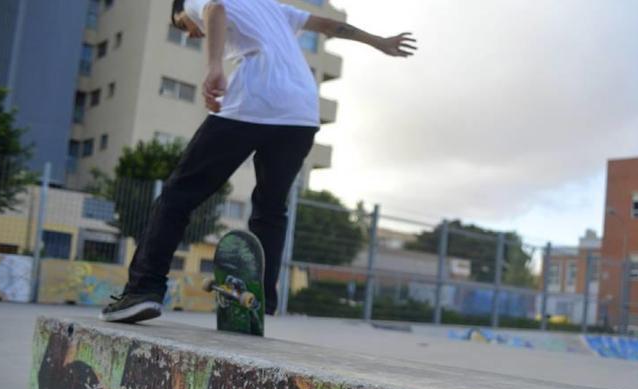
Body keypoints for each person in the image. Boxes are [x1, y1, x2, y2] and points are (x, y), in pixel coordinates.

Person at [101, 0, 416, 323]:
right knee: (271, 208)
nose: (192, 34)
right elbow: (328, 26)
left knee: (177, 196)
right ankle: (261, 300)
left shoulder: (191, 3)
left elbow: (214, 11)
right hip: (301, 112)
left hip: (253, 102)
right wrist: (380, 42)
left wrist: (213, 67)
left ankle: (143, 290)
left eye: (183, 27)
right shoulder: (271, 6)